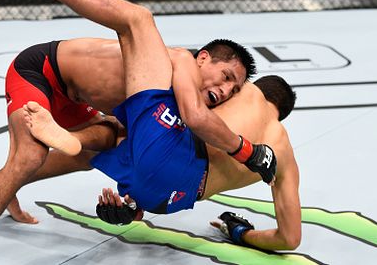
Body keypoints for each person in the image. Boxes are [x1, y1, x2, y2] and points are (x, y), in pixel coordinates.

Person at [0, 0, 261, 264]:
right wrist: (248, 151)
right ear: (204, 57)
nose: (224, 90)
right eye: (227, 77)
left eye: (233, 90)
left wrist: (129, 208)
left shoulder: (169, 107)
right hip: (41, 71)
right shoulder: (175, 61)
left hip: (76, 101)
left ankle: (11, 184)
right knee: (30, 156)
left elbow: (140, 165)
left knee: (97, 146)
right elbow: (192, 112)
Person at [24, 75, 301, 251]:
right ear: (283, 116)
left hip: (174, 154)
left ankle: (25, 170)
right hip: (172, 198)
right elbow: (289, 239)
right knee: (147, 160)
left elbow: (192, 101)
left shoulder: (245, 91)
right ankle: (134, 206)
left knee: (112, 132)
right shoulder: (284, 154)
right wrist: (241, 233)